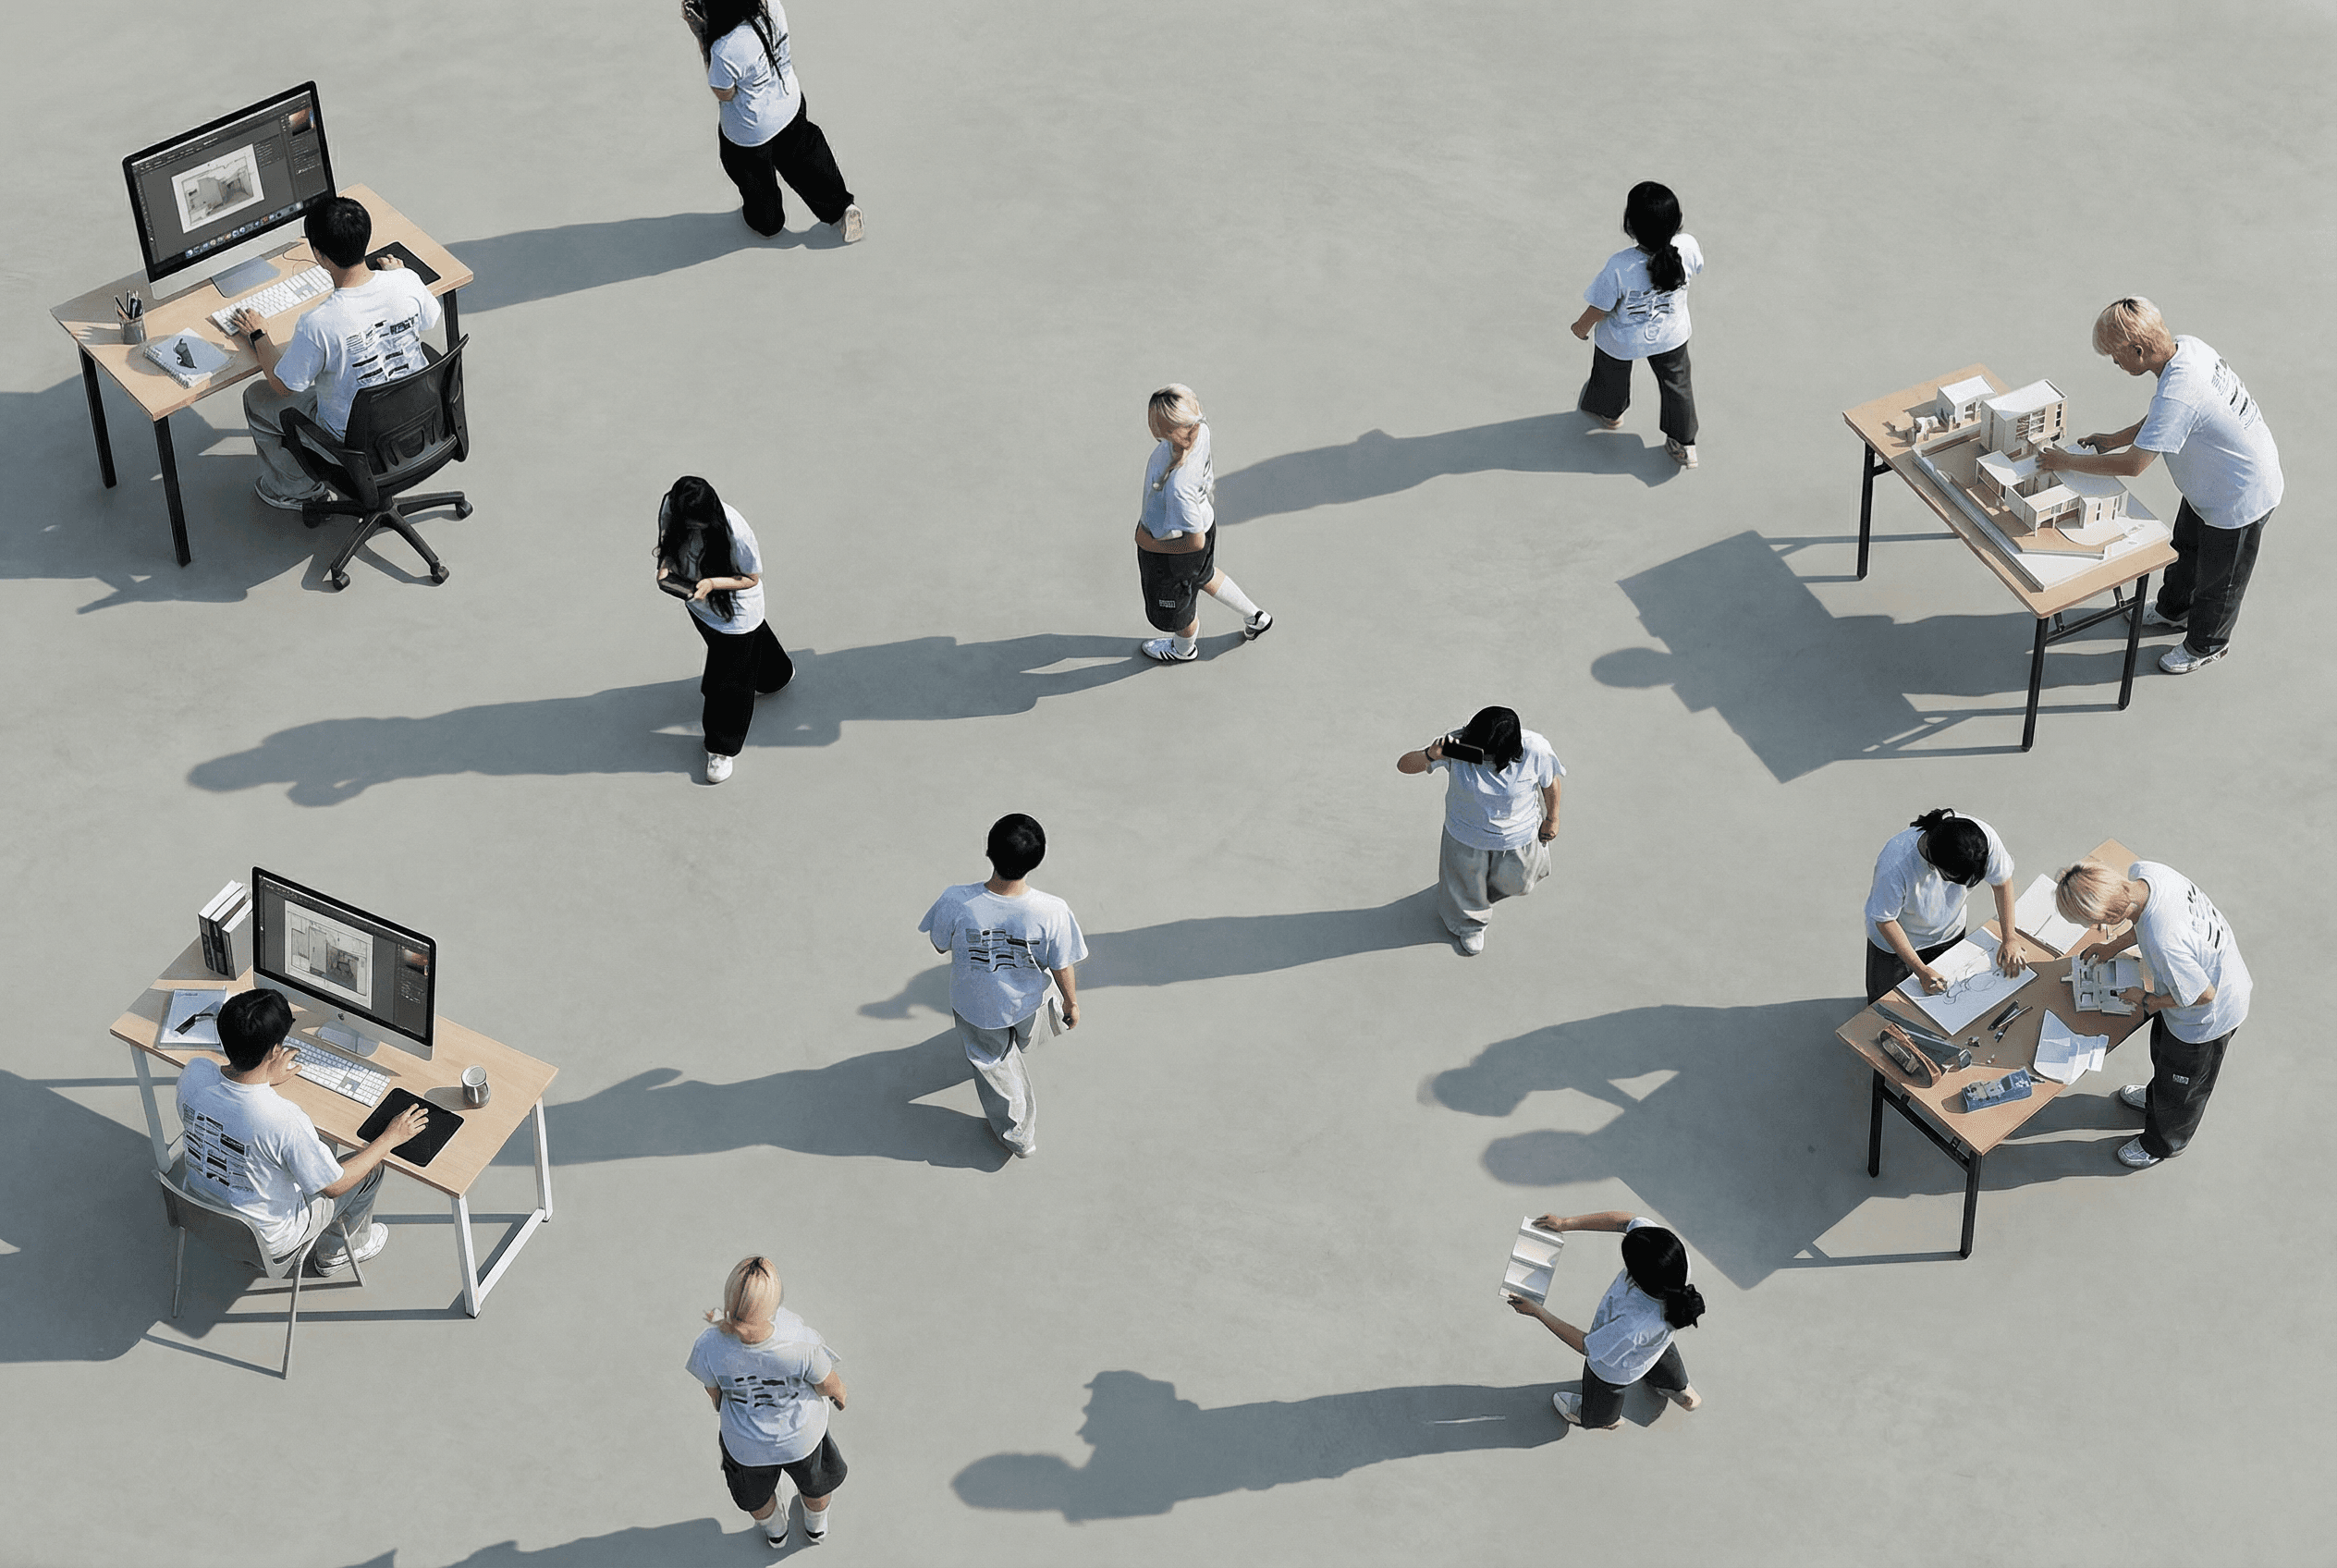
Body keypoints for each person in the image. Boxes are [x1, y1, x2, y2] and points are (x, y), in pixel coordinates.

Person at [2037, 297, 2282, 675]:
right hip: (2210, 485)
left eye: (2116, 357)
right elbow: (2163, 415)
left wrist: (2065, 462)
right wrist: (2115, 437)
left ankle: (2207, 644)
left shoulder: (2181, 389)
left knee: (2221, 579)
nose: (2115, 364)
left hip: (2240, 495)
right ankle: (2174, 609)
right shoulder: (2187, 348)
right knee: (2186, 549)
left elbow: (2134, 465)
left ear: (2137, 350)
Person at [174, 989, 428, 1273]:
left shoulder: (195, 1073)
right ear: (274, 1052)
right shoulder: (283, 1120)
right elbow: (335, 1187)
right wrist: (389, 1138)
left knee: (308, 1151)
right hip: (266, 1241)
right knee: (372, 1167)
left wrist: (264, 1078)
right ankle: (335, 1254)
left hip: (200, 1210)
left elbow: (227, 1115)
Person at [235, 196, 441, 510]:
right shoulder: (406, 280)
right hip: (419, 422)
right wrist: (399, 275)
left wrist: (258, 334)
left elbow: (283, 385)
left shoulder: (318, 324)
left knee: (257, 397)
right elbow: (430, 318)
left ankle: (296, 491)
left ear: (319, 255)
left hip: (357, 447)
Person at [2052, 860, 2251, 1170]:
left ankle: (2163, 1143)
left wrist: (2147, 999)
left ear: (2111, 915)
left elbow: (2203, 995)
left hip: (2208, 1017)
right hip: (2201, 979)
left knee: (2183, 1088)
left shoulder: (2164, 943)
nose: (2090, 929)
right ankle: (2155, 1099)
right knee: (2164, 1057)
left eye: (2090, 922)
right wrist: (2113, 945)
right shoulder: (2144, 873)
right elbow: (2143, 918)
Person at [917, 814, 1086, 1158]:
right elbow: (1061, 963)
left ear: (988, 850)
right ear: (1037, 860)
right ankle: (1020, 1043)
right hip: (1028, 1000)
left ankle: (1018, 1137)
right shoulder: (1052, 910)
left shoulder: (955, 900)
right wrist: (1071, 1002)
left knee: (994, 1065)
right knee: (1026, 1034)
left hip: (976, 1006)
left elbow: (939, 944)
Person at [686, 1256, 850, 1548]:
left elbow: (714, 1393)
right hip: (802, 1439)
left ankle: (776, 1533)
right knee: (817, 1486)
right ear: (775, 1301)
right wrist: (840, 1394)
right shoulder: (800, 1341)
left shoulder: (708, 1345)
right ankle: (816, 1527)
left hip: (745, 1445)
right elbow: (828, 1385)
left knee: (756, 1496)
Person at [1504, 1213, 1707, 1429]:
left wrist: (1539, 1312)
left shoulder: (1632, 1325)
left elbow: (1587, 1345)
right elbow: (1625, 1222)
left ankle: (1603, 1419)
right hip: (1655, 1342)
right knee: (1661, 1354)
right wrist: (1566, 1223)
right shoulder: (1668, 1253)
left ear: (1640, 1279)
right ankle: (1680, 1389)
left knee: (1603, 1392)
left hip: (1615, 1369)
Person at [655, 475, 794, 784]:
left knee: (725, 685)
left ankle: (721, 748)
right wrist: (666, 566)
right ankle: (776, 674)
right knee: (747, 659)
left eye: (698, 525)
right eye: (686, 524)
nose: (692, 529)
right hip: (699, 603)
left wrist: (711, 583)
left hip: (736, 611)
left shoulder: (736, 531)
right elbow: (668, 543)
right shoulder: (670, 506)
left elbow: (751, 578)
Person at [690, 0, 863, 243]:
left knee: (756, 182)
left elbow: (724, 93)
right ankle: (842, 210)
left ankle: (767, 224)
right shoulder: (770, 5)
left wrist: (702, 36)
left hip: (750, 132)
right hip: (789, 104)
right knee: (808, 157)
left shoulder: (724, 47)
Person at [1395, 706, 1562, 956]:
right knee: (1465, 892)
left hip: (1520, 835)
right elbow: (1403, 766)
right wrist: (1430, 755)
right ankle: (1470, 923)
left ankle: (1467, 892)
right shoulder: (1457, 746)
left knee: (1521, 883)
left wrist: (1553, 818)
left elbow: (1550, 782)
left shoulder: (1535, 749)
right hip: (1465, 837)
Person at [1132, 385, 1273, 663]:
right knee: (1203, 575)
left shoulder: (1179, 487)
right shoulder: (1201, 429)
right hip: (1205, 523)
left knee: (1180, 609)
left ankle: (1183, 650)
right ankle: (1256, 617)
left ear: (1164, 429)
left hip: (1173, 548)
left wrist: (1150, 543)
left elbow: (1193, 542)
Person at [1572, 181, 1705, 470]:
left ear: (1629, 226)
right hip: (1672, 335)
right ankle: (1683, 444)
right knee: (1678, 385)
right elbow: (1696, 268)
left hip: (1623, 341)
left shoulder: (1620, 266)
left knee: (1611, 374)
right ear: (1677, 221)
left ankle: (1611, 414)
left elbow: (1600, 307)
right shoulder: (1688, 246)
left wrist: (1580, 328)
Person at [1863, 808, 2041, 1004]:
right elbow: (1886, 920)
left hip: (1949, 935)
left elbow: (2002, 884)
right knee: (1887, 1006)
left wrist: (2010, 938)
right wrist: (1920, 969)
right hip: (1894, 947)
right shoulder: (1895, 863)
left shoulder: (1980, 841)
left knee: (1945, 1005)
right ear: (1934, 864)